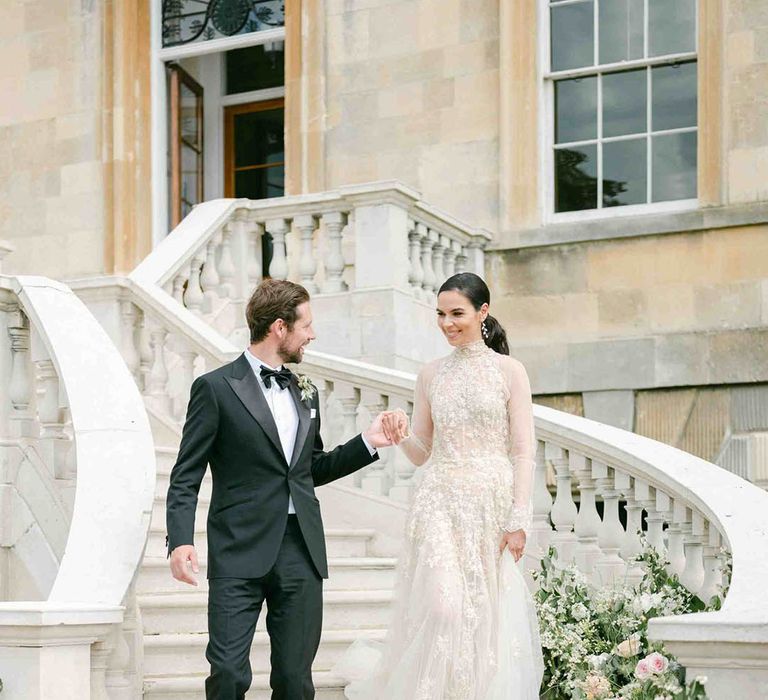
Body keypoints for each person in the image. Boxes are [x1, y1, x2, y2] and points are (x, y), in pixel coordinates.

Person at [165, 278, 395, 700]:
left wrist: (367, 443)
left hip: (300, 550)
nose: (312, 334)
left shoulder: (305, 391)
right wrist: (180, 540)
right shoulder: (215, 388)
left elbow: (310, 470)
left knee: (294, 681)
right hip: (238, 548)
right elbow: (186, 474)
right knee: (229, 676)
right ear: (278, 327)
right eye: (306, 325)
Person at [334, 272, 544, 699]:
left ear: (483, 312)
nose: (447, 323)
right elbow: (422, 451)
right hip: (439, 501)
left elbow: (523, 451)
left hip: (491, 502)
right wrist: (400, 432)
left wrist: (519, 519)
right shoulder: (430, 374)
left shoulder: (510, 371)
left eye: (457, 314)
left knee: (484, 614)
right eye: (441, 314)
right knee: (443, 606)